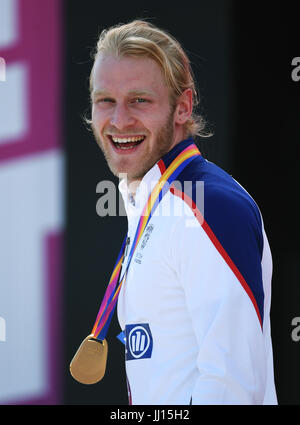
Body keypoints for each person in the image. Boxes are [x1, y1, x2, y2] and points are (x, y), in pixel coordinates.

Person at [87, 19, 277, 405]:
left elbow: (232, 387)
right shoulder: (153, 203)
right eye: (105, 99)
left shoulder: (207, 205)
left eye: (140, 100)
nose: (119, 119)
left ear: (183, 107)